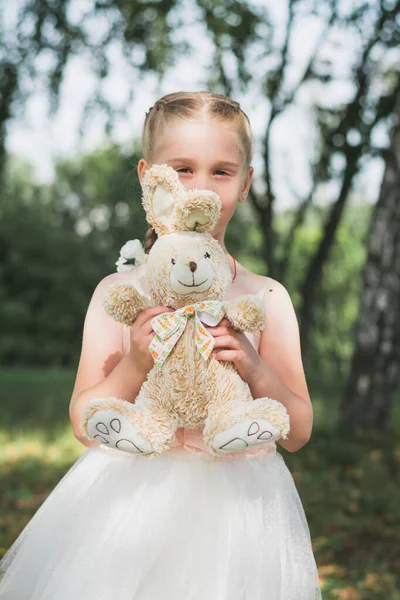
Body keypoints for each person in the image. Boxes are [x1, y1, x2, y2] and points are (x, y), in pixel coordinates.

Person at [0, 91, 321, 599]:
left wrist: (255, 367)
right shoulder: (119, 294)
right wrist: (134, 360)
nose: (203, 190)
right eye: (184, 169)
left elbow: (298, 430)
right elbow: (86, 420)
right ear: (152, 178)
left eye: (221, 172)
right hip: (130, 504)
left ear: (247, 181)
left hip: (240, 516)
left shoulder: (266, 298)